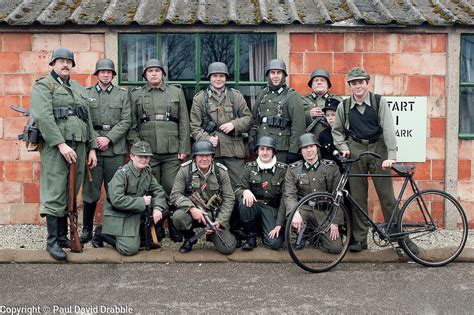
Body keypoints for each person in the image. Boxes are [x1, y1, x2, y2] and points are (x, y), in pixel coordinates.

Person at [332, 67, 417, 253]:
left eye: (361, 82)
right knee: (357, 197)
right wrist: (344, 148)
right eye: (354, 83)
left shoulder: (379, 102)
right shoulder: (344, 106)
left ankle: (398, 235)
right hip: (355, 148)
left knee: (387, 197)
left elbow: (388, 129)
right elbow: (337, 131)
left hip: (379, 148)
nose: (358, 86)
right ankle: (360, 239)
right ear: (350, 86)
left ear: (367, 83)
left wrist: (392, 157)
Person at [30, 47, 97, 260]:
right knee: (55, 191)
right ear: (52, 64)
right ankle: (52, 241)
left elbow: (87, 119)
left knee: (71, 191)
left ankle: (62, 237)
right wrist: (60, 144)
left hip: (79, 146)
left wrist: (92, 147)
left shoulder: (77, 88)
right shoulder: (44, 86)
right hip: (56, 148)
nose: (65, 64)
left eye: (68, 61)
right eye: (60, 61)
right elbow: (44, 117)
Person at [128, 58, 190, 242]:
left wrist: (184, 147)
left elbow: (184, 122)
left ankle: (174, 225)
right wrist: (139, 150)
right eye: (150, 71)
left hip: (172, 151)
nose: (154, 74)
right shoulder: (136, 95)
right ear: (145, 75)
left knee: (173, 188)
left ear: (163, 73)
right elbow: (132, 126)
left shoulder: (176, 92)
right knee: (151, 189)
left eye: (157, 70)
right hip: (148, 153)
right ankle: (156, 226)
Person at [80, 58, 131, 244]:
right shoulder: (86, 94)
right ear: (97, 74)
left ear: (113, 75)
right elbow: (84, 121)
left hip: (114, 150)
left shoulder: (122, 94)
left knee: (114, 191)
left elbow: (127, 120)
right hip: (93, 150)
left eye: (109, 72)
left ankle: (111, 228)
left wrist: (108, 138)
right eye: (102, 72)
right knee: (90, 191)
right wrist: (95, 141)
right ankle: (86, 229)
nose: (105, 74)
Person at [92, 141, 167, 256]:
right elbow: (116, 200)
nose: (144, 160)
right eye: (140, 156)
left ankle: (138, 234)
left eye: (146, 157)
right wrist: (141, 201)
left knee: (152, 237)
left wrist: (157, 208)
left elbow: (158, 190)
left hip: (135, 211)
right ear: (132, 156)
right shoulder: (122, 174)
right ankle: (102, 233)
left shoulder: (146, 171)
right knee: (130, 249)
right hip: (119, 214)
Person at [190, 62, 252, 189]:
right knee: (212, 186)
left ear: (226, 78)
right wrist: (206, 139)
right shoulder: (200, 99)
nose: (218, 79)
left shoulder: (236, 96)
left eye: (221, 76)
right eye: (215, 76)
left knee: (238, 185)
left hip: (233, 150)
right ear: (209, 78)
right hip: (211, 151)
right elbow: (194, 127)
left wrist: (234, 124)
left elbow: (248, 119)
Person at [170, 140, 236, 255]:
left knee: (227, 248)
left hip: (214, 216)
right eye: (200, 156)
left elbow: (229, 198)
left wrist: (220, 221)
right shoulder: (185, 170)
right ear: (195, 157)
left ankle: (230, 234)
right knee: (178, 216)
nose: (204, 159)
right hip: (193, 214)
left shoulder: (221, 171)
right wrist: (192, 209)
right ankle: (189, 238)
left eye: (207, 156)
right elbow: (175, 194)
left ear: (212, 157)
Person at [285, 133, 342, 253]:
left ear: (317, 147)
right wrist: (294, 213)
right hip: (304, 210)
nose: (309, 150)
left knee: (335, 248)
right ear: (301, 151)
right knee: (293, 242)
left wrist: (335, 222)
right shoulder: (293, 169)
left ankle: (315, 235)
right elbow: (290, 195)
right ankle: (303, 232)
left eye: (311, 146)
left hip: (324, 213)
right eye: (305, 148)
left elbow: (338, 197)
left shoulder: (331, 168)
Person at [235, 136, 287, 250]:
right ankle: (251, 237)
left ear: (273, 151)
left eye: (268, 149)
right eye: (262, 149)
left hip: (272, 210)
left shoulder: (283, 170)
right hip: (254, 206)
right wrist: (245, 191)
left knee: (274, 243)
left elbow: (285, 198)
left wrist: (279, 224)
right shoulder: (249, 168)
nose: (265, 152)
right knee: (244, 202)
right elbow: (238, 189)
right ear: (257, 151)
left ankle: (265, 231)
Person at [249, 59, 306, 164]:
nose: (275, 76)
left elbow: (298, 126)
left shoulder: (291, 95)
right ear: (268, 75)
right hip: (262, 145)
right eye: (272, 72)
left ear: (284, 75)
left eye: (279, 73)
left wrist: (293, 151)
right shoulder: (262, 94)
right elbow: (255, 120)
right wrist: (252, 139)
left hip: (281, 148)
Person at [303, 68, 342, 139]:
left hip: (332, 140)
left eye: (322, 80)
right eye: (316, 80)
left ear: (328, 84)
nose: (319, 82)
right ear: (311, 85)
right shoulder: (303, 100)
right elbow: (295, 121)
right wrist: (309, 115)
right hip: (310, 141)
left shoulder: (337, 100)